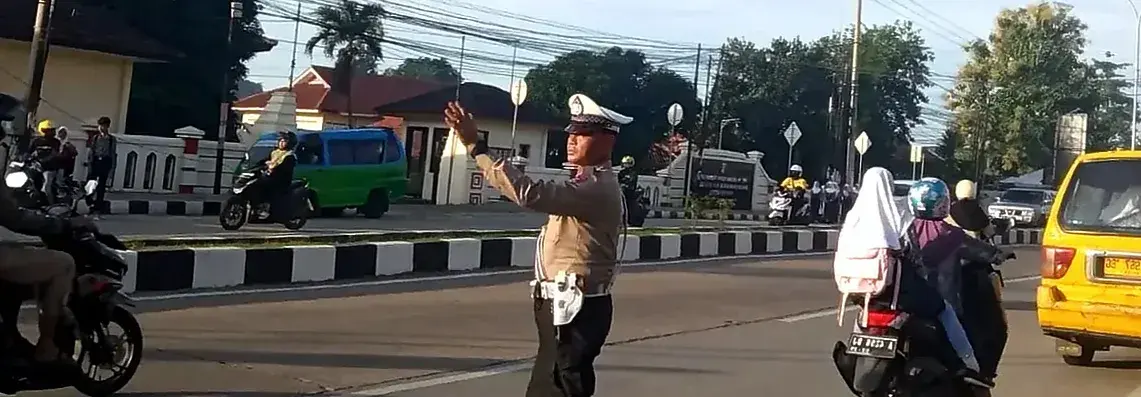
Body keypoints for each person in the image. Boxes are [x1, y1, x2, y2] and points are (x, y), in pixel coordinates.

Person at [444, 93, 626, 397]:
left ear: (607, 141)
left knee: (563, 385)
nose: (572, 140)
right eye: (571, 133)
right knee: (546, 383)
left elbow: (529, 193)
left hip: (578, 307)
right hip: (563, 304)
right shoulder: (583, 183)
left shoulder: (595, 188)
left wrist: (477, 147)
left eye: (583, 134)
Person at [0, 95, 90, 373]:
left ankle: (10, 336)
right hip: (35, 194)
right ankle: (47, 348)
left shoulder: (61, 146)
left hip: (42, 182)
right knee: (63, 263)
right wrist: (58, 225)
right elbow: (10, 215)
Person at [905, 177, 999, 389]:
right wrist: (999, 254)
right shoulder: (949, 233)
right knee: (958, 331)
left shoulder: (905, 231)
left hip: (906, 299)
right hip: (941, 297)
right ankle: (972, 369)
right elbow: (982, 249)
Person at [255, 131, 297, 218]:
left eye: (284, 141)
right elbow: (263, 161)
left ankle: (265, 208)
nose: (281, 143)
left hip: (281, 180)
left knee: (264, 186)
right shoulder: (274, 152)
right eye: (280, 141)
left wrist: (273, 168)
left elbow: (284, 168)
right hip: (270, 176)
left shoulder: (290, 155)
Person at [85, 117, 117, 217]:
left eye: (103, 126)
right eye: (100, 126)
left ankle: (97, 207)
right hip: (95, 162)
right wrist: (90, 164)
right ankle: (90, 203)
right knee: (90, 185)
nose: (101, 128)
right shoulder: (95, 138)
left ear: (107, 126)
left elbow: (112, 154)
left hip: (105, 162)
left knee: (101, 187)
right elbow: (91, 152)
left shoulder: (112, 139)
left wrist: (112, 169)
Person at [30, 120, 63, 204]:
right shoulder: (36, 141)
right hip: (37, 167)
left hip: (50, 168)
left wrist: (44, 160)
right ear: (44, 131)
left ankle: (50, 205)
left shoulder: (56, 142)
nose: (54, 132)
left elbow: (55, 154)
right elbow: (29, 153)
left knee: (47, 186)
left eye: (53, 130)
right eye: (51, 130)